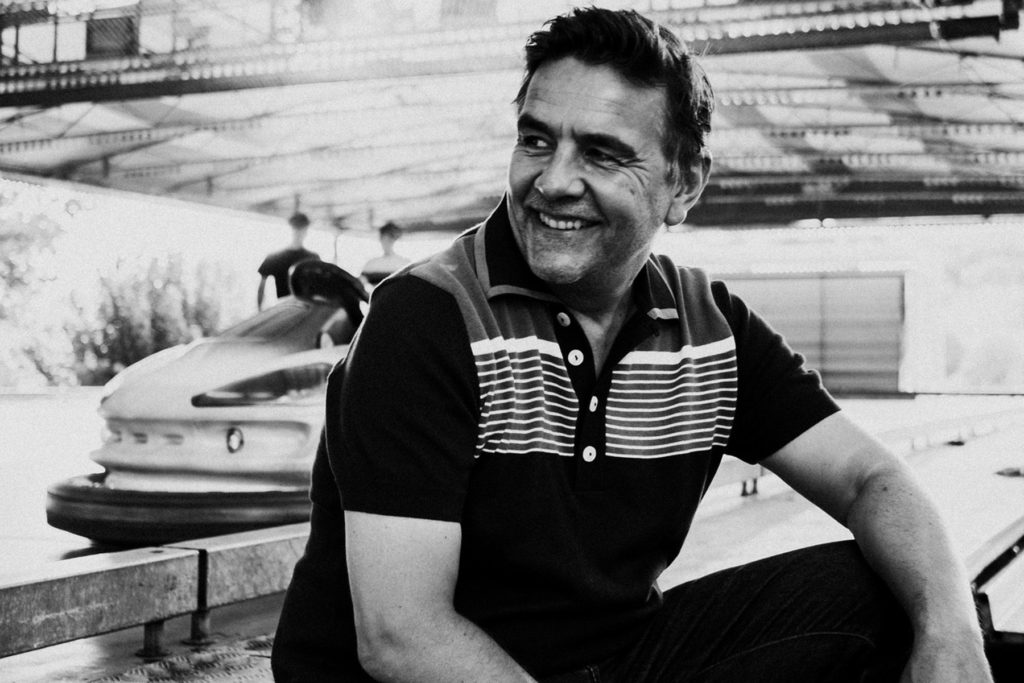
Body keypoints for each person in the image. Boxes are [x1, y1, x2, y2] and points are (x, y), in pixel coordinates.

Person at [273, 8, 992, 682]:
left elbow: (870, 477)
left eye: (602, 154)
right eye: (536, 140)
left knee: (898, 587)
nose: (553, 181)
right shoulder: (429, 315)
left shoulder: (708, 327)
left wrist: (953, 635)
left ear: (684, 184)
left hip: (613, 659)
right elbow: (401, 634)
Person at [257, 211, 321, 310]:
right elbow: (262, 287)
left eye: (301, 228)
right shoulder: (274, 257)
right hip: (285, 308)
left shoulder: (313, 258)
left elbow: (319, 287)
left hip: (307, 308)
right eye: (296, 228)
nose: (298, 232)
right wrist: (260, 310)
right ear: (290, 228)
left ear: (306, 231)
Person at [360, 220, 411, 286]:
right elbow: (361, 284)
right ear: (381, 239)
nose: (387, 243)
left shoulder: (406, 264)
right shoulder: (371, 264)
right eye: (384, 239)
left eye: (391, 239)